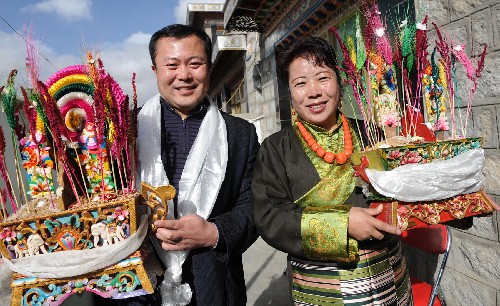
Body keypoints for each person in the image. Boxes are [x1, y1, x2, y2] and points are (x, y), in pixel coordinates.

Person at [251, 36, 413, 305]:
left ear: (339, 82)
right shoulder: (275, 149)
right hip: (320, 291)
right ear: (290, 94)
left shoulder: (372, 133)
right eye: (300, 83)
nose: (313, 92)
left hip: (390, 280)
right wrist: (342, 224)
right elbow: (270, 217)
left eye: (323, 78)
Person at [112, 24, 259, 306]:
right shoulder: (122, 131)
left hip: (215, 285)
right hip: (137, 289)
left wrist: (214, 232)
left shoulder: (240, 134)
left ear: (209, 67)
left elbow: (253, 207)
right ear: (155, 71)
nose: (184, 75)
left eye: (195, 64)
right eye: (172, 65)